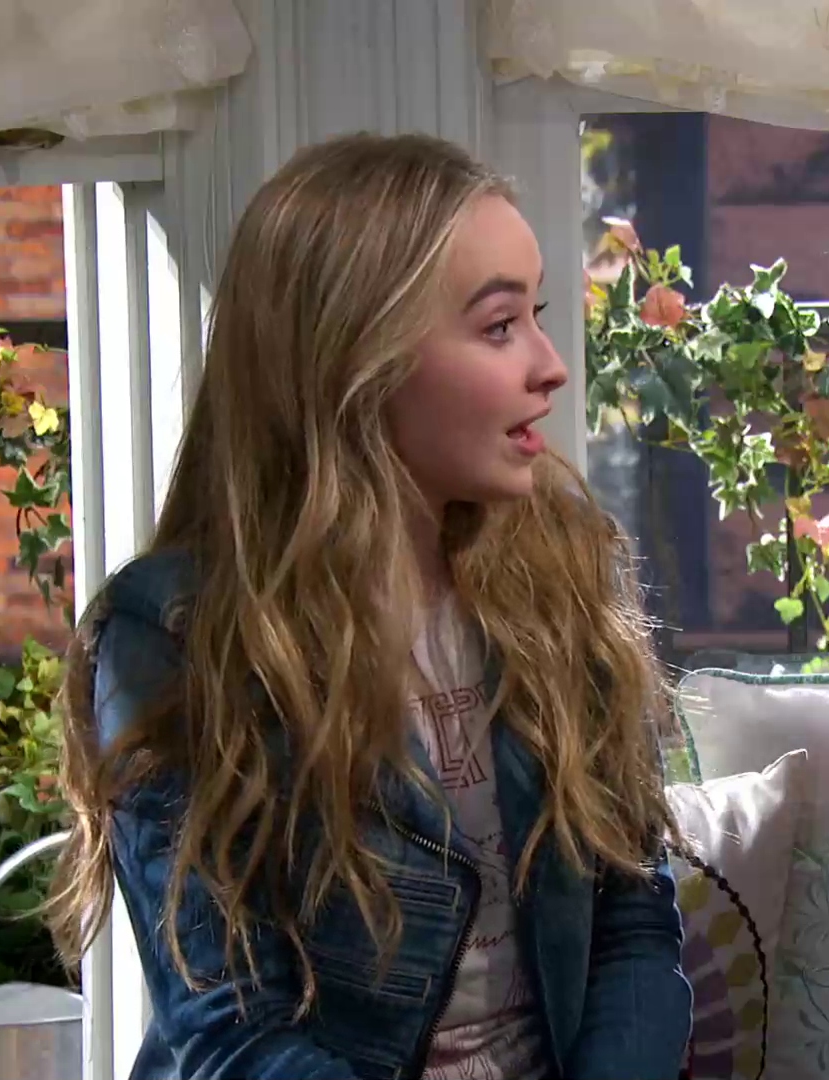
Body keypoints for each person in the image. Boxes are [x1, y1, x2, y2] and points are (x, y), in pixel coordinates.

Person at [45, 133, 692, 1080]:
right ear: (359, 359)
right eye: (500, 326)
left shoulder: (565, 568)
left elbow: (635, 926)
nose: (552, 366)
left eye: (538, 316)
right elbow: (234, 1033)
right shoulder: (176, 638)